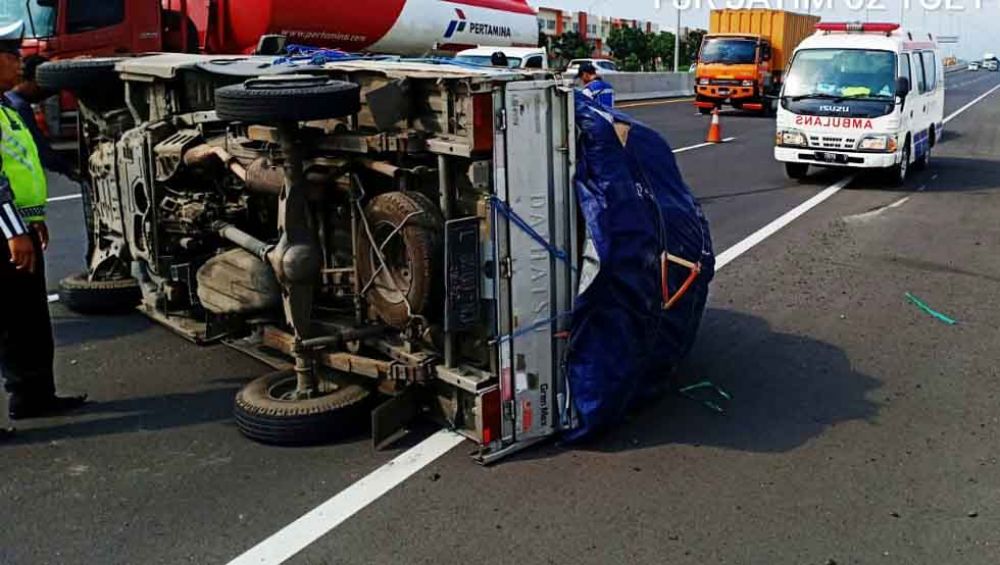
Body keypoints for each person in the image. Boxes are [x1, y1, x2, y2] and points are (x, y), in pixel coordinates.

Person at [0, 23, 85, 436]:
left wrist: (32, 219)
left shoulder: (4, 108)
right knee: (9, 322)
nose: (19, 63)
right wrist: (15, 232)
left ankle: (33, 396)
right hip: (4, 234)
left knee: (28, 321)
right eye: (11, 56)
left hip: (18, 228)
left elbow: (22, 168)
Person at [4, 54, 73, 177]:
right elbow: (41, 150)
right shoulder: (19, 107)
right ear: (33, 80)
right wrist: (70, 170)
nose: (46, 92)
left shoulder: (10, 101)